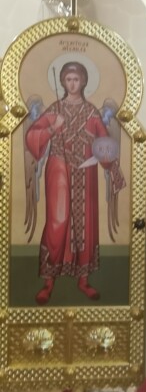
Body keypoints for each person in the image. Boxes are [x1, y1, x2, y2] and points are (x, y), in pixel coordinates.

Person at [24, 61, 126, 305]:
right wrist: (52, 129)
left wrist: (113, 168)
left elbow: (104, 144)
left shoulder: (91, 112)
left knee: (85, 223)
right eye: (68, 80)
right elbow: (32, 137)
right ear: (62, 82)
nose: (72, 84)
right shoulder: (55, 109)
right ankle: (49, 281)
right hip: (58, 169)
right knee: (57, 222)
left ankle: (83, 280)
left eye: (76, 79)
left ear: (83, 82)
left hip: (85, 172)